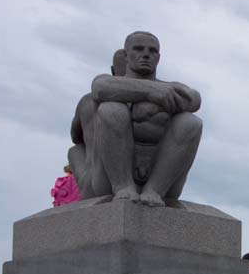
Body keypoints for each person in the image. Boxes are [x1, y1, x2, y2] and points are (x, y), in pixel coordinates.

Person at [76, 31, 202, 207]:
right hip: (110, 180)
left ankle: (154, 190)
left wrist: (156, 98)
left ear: (158, 58)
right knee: (112, 109)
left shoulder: (170, 87)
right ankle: (123, 186)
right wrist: (151, 93)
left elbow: (194, 99)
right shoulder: (107, 82)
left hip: (162, 182)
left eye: (152, 51)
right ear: (126, 55)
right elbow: (100, 88)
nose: (146, 54)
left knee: (191, 122)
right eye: (138, 49)